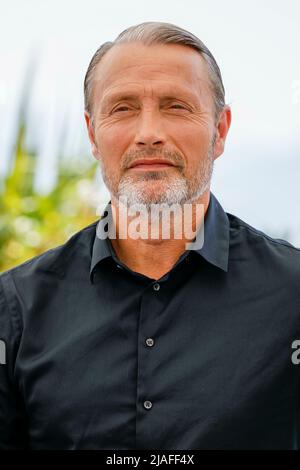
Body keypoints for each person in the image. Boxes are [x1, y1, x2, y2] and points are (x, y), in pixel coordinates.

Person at [0, 21, 300, 450]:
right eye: (122, 108)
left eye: (176, 106)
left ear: (219, 131)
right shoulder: (16, 311)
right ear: (92, 134)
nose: (148, 133)